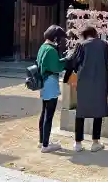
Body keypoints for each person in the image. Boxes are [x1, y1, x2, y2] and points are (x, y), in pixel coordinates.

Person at [65, 26, 108, 152]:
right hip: (100, 82)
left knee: (80, 111)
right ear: (95, 34)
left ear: (85, 35)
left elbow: (74, 62)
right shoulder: (104, 45)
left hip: (84, 82)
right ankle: (95, 142)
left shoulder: (81, 45)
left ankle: (78, 143)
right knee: (99, 110)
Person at [37, 25, 67, 153]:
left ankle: (42, 141)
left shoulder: (43, 47)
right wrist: (67, 59)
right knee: (49, 115)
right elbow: (57, 67)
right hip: (50, 82)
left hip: (44, 82)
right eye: (59, 38)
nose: (60, 41)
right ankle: (45, 145)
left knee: (44, 113)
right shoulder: (51, 50)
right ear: (55, 37)